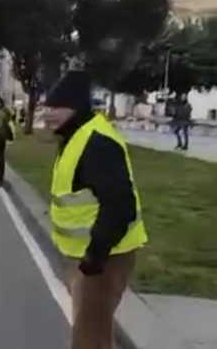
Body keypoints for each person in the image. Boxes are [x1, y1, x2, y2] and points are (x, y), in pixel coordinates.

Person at [43, 71, 148, 349]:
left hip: (104, 258)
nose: (47, 114)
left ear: (74, 107)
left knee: (89, 340)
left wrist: (95, 256)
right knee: (95, 329)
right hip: (92, 257)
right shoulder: (76, 135)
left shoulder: (95, 142)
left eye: (54, 108)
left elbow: (120, 205)